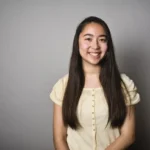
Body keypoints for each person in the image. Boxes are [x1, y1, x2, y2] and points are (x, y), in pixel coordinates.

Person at [50, 16, 140, 150]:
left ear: (108, 45)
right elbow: (59, 138)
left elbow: (128, 135)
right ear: (77, 42)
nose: (95, 46)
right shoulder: (63, 86)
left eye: (102, 40)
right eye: (88, 39)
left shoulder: (124, 84)